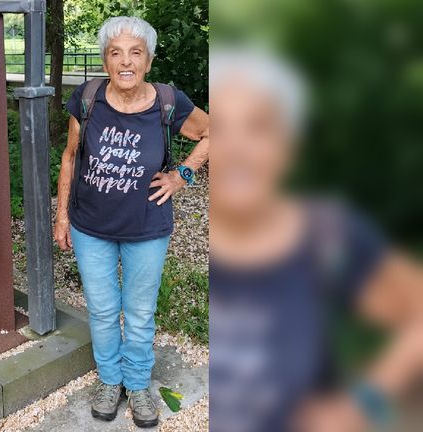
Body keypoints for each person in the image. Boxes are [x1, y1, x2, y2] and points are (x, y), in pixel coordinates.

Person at [209, 46, 423, 432]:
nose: (237, 148)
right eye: (221, 128)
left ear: (289, 147)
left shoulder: (330, 237)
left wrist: (364, 402)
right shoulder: (170, 238)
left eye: (258, 127)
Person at [53, 16, 209, 428]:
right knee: (103, 311)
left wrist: (183, 175)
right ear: (105, 60)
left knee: (138, 312)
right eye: (115, 53)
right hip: (90, 227)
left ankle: (137, 384)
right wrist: (61, 216)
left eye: (135, 53)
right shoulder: (87, 100)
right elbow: (69, 157)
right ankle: (110, 381)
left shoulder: (166, 101)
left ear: (149, 61)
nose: (125, 62)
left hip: (146, 228)